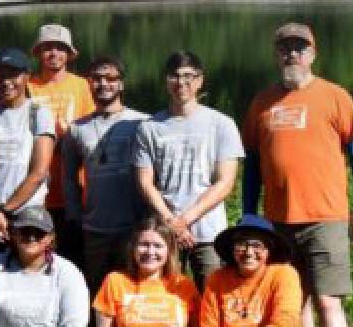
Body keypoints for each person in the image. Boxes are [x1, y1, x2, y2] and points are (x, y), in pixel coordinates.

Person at [241, 24, 353, 327]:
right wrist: (249, 215)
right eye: (285, 49)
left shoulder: (335, 96)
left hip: (325, 218)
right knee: (292, 300)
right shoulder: (261, 103)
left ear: (312, 54)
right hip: (278, 221)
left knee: (328, 301)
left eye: (299, 49)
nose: (292, 55)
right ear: (276, 55)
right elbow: (252, 165)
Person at [134, 52, 242, 286]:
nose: (181, 83)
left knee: (212, 298)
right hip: (164, 232)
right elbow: (145, 182)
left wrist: (186, 220)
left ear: (200, 80)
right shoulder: (149, 127)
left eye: (188, 76)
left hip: (209, 232)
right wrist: (171, 221)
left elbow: (225, 183)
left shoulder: (222, 124)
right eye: (174, 76)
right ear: (166, 81)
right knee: (164, 296)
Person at [60, 56, 149, 293]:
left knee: (134, 290)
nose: (103, 84)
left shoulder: (142, 122)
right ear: (89, 83)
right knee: (98, 291)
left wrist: (151, 219)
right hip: (95, 228)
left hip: (134, 226)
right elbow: (68, 177)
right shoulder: (77, 129)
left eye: (110, 78)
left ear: (121, 84)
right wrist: (75, 214)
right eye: (97, 79)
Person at [0, 49, 56, 259]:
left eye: (13, 75)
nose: (7, 82)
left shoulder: (38, 114)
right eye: (1, 75)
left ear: (27, 76)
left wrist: (5, 211)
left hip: (28, 215)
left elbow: (39, 172)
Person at [28, 25, 94, 262]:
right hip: (39, 190)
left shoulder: (83, 86)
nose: (53, 53)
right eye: (47, 48)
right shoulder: (28, 86)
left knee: (76, 257)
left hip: (76, 188)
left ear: (69, 54)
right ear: (38, 53)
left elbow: (94, 132)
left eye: (60, 48)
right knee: (40, 256)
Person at [0, 207, 89, 327]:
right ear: (14, 233)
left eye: (39, 233)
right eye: (25, 231)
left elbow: (74, 321)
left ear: (50, 237)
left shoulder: (69, 273)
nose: (31, 238)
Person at [196, 216, 302, 327]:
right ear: (232, 249)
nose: (249, 252)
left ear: (268, 250)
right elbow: (208, 323)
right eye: (241, 244)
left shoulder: (284, 274)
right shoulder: (217, 279)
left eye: (257, 246)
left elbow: (286, 319)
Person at [92, 216, 198, 327]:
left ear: (169, 251)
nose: (150, 252)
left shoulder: (183, 285)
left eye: (158, 246)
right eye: (144, 244)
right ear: (133, 248)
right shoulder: (115, 281)